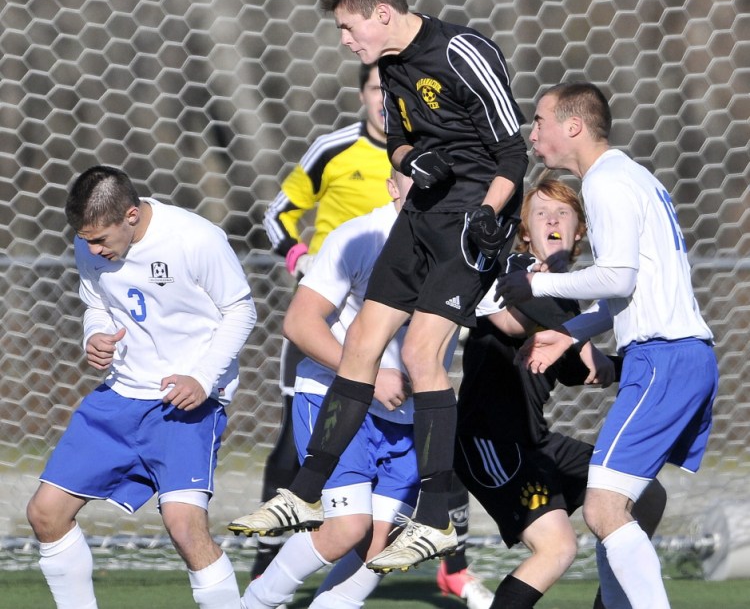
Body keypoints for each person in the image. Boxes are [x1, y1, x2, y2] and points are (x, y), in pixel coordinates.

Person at [232, 0, 528, 572]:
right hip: (418, 218)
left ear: (382, 14)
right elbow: (396, 138)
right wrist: (413, 159)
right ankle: (305, 492)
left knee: (421, 356)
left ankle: (436, 516)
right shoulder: (388, 67)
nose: (344, 40)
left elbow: (511, 150)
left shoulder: (464, 50)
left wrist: (487, 213)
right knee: (362, 339)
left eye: (347, 27)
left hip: (471, 228)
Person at [257, 61, 484, 603]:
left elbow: (502, 308)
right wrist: (301, 262)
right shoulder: (358, 232)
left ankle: (451, 567)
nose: (426, 192)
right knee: (338, 518)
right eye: (415, 181)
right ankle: (259, 592)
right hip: (341, 383)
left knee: (380, 542)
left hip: (408, 408)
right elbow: (297, 313)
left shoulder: (465, 245)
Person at [495, 83, 719, 609]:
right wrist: (570, 333)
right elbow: (631, 289)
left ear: (573, 126)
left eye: (540, 120)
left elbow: (616, 278)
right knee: (623, 509)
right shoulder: (631, 177)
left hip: (664, 359)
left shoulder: (607, 183)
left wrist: (537, 285)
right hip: (676, 358)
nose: (533, 133)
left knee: (602, 510)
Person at [26, 165, 256, 609]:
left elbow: (240, 311)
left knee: (185, 527)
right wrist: (93, 335)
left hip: (185, 405)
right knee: (45, 513)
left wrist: (203, 379)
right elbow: (97, 303)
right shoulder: (88, 244)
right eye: (85, 239)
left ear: (131, 216)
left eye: (100, 240)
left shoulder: (196, 238)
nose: (92, 249)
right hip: (119, 397)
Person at [457, 176, 666, 609]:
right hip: (488, 440)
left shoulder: (578, 296)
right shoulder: (514, 271)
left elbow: (583, 369)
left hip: (535, 442)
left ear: (580, 231)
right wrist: (581, 342)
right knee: (558, 548)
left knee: (643, 494)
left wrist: (651, 368)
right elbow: (515, 322)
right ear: (526, 232)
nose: (552, 219)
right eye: (540, 213)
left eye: (563, 213)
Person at [254, 61, 391, 577]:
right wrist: (300, 258)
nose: (386, 97)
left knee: (415, 447)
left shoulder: (426, 158)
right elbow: (277, 214)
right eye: (378, 87)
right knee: (295, 445)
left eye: (394, 88)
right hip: (329, 320)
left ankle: (448, 565)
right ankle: (265, 568)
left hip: (396, 330)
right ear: (361, 95)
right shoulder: (334, 149)